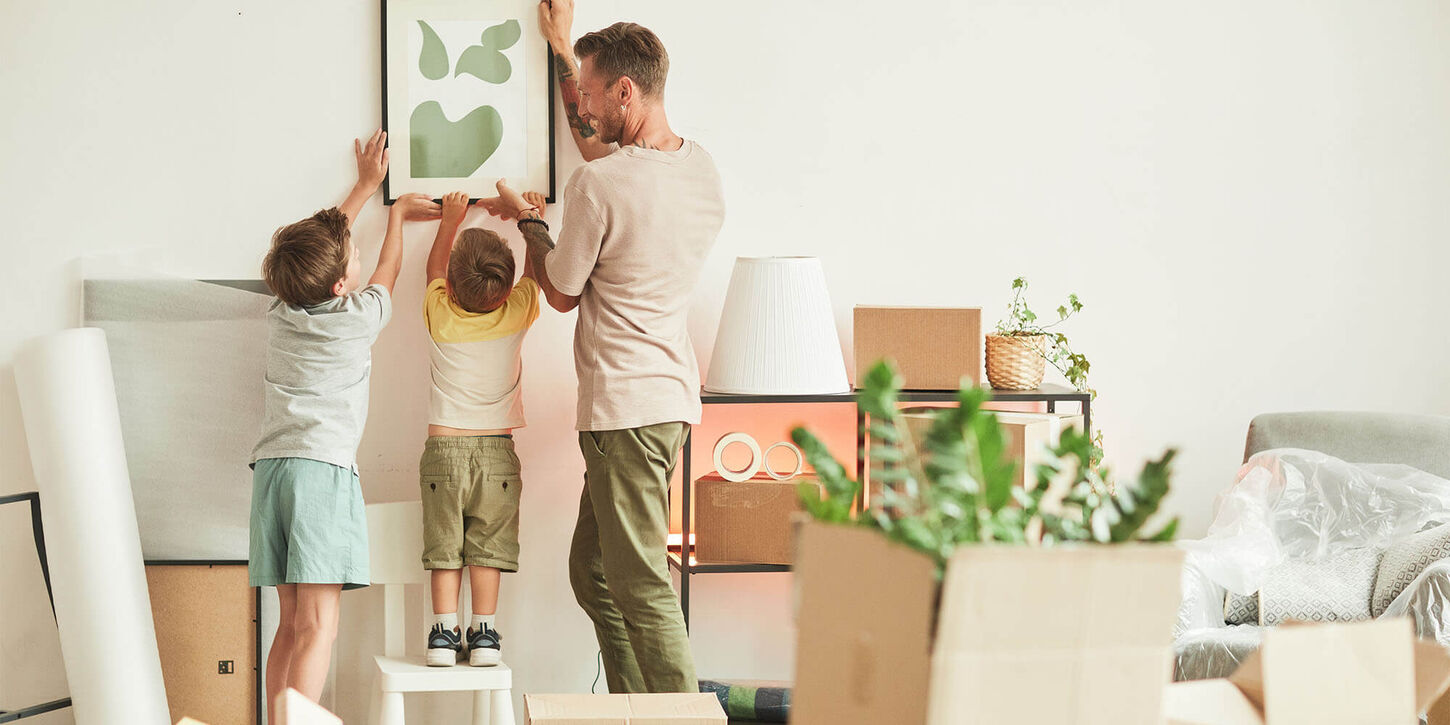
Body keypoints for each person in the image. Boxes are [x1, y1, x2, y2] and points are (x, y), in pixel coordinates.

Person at [478, 8, 726, 694]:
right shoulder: (700, 170)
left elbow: (560, 291)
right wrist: (562, 49)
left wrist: (529, 220)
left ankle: (675, 713)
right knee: (593, 571)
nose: (582, 106)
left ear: (625, 91)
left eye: (589, 93)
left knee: (640, 583)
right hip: (667, 403)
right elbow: (608, 161)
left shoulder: (599, 186)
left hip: (624, 410)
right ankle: (634, 705)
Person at [249, 130, 439, 719]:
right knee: (319, 627)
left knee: (289, 625)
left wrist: (363, 187)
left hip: (272, 473)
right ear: (339, 286)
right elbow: (389, 267)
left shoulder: (281, 310)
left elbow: (323, 246)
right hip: (320, 473)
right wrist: (396, 216)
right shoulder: (358, 317)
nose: (357, 255)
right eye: (350, 256)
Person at [417, 190, 545, 667]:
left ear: (451, 288)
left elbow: (433, 268)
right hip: (497, 453)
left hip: (443, 449)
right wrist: (533, 222)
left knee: (445, 545)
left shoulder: (440, 313)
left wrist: (450, 220)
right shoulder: (516, 311)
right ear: (505, 292)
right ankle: (485, 634)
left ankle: (443, 633)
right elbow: (534, 275)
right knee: (488, 547)